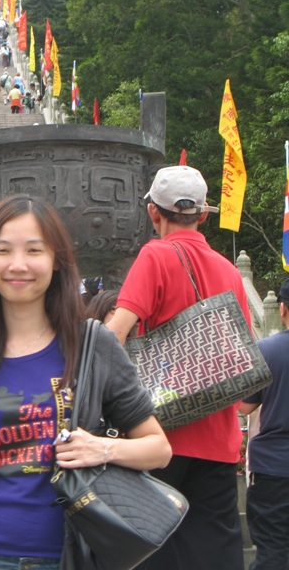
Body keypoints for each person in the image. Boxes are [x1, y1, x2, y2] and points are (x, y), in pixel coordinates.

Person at [0, 194, 171, 570]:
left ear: (56, 261)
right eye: (3, 250)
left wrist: (101, 448)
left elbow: (158, 448)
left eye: (34, 250)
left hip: (65, 557)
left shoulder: (91, 345)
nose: (18, 264)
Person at [107, 164, 250, 570]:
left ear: (154, 212)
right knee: (215, 556)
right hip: (219, 439)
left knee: (154, 552)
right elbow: (242, 354)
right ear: (203, 214)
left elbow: (113, 336)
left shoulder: (155, 254)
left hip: (159, 437)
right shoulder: (229, 270)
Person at [239, 279, 289, 570]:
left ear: (282, 309)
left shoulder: (266, 350)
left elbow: (244, 405)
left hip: (273, 469)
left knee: (273, 553)